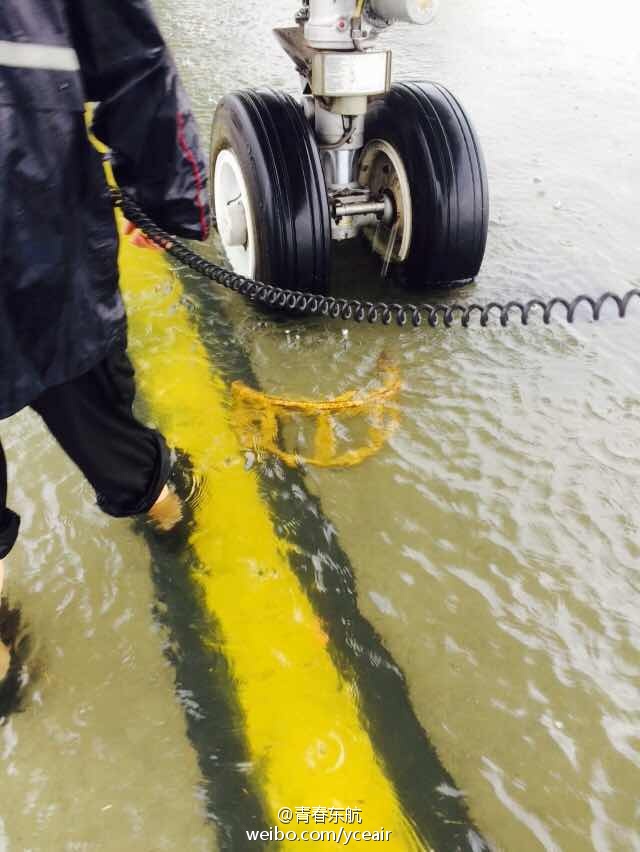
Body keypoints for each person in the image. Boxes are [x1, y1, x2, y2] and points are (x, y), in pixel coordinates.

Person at [0, 0, 210, 699]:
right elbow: (134, 63)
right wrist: (168, 201)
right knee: (90, 392)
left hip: (36, 228)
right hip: (37, 232)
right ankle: (158, 499)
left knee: (84, 376)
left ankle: (3, 665)